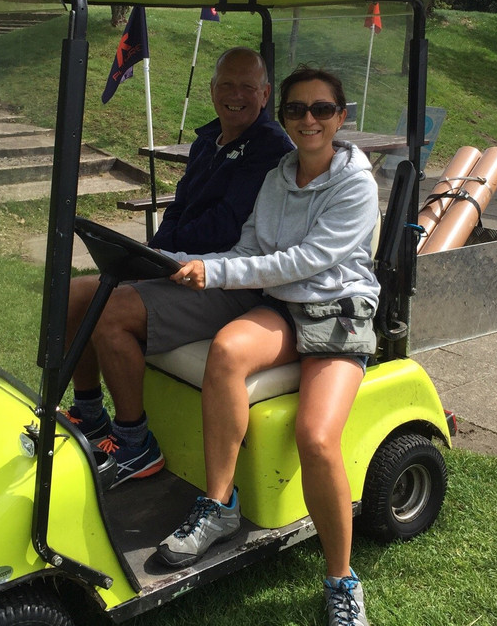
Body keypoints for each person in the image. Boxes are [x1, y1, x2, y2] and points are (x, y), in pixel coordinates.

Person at [154, 67, 380, 626]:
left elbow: (307, 261)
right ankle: (219, 504)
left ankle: (341, 579)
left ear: (340, 117)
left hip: (336, 312)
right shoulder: (279, 175)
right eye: (297, 110)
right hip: (284, 306)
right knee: (227, 350)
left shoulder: (356, 182)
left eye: (322, 110)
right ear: (283, 117)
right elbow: (252, 243)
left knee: (317, 438)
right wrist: (203, 264)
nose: (309, 120)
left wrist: (221, 274)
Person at [64, 47, 293, 485]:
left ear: (264, 94)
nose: (235, 95)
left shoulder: (270, 150)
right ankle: (91, 415)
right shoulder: (210, 140)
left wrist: (163, 260)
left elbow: (226, 225)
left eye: (247, 86)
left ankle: (135, 444)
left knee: (111, 315)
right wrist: (150, 256)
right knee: (76, 294)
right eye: (226, 84)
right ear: (211, 90)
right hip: (180, 269)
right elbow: (182, 209)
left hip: (228, 281)